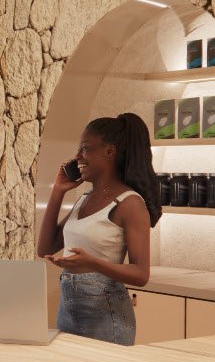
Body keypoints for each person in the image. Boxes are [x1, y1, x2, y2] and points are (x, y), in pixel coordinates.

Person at [35, 113, 160, 345]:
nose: (78, 157)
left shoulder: (130, 203)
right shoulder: (84, 198)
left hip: (107, 317)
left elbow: (141, 274)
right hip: (68, 311)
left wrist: (93, 263)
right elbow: (44, 248)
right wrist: (58, 191)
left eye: (85, 149)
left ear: (109, 152)